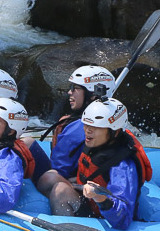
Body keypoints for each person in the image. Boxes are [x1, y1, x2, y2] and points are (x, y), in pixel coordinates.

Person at [46, 98, 153, 230]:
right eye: (85, 124)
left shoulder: (122, 167)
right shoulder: (97, 143)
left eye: (96, 127)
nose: (87, 130)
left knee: (61, 191)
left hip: (105, 216)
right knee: (48, 179)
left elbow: (123, 218)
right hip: (89, 199)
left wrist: (100, 197)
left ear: (115, 131)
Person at [23, 65, 116, 193]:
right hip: (72, 175)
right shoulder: (112, 120)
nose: (69, 92)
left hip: (72, 184)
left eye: (75, 88)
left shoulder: (79, 128)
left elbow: (60, 167)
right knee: (26, 143)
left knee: (49, 175)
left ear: (93, 95)